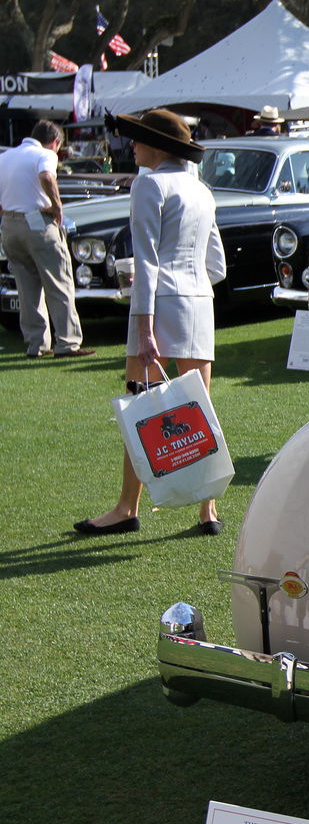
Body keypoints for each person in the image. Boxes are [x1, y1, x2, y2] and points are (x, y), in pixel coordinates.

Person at [77, 109, 226, 537]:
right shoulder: (201, 189)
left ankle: (127, 507)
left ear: (158, 146)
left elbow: (146, 262)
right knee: (199, 411)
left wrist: (144, 329)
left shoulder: (148, 183)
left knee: (141, 410)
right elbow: (215, 264)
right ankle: (207, 511)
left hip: (160, 305)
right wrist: (190, 279)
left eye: (138, 139)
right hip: (200, 300)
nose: (132, 145)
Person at [0, 120, 94, 359]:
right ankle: (67, 342)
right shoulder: (45, 155)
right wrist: (57, 205)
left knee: (26, 288)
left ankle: (36, 344)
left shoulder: (6, 156)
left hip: (10, 225)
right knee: (59, 283)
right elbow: (46, 177)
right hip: (37, 222)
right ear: (55, 142)